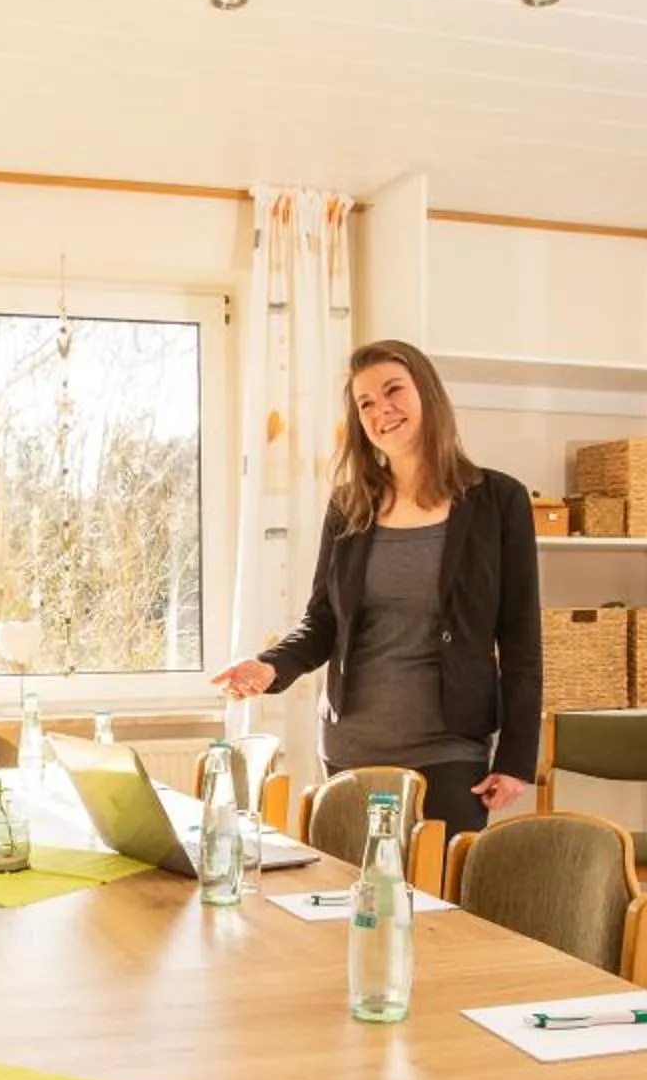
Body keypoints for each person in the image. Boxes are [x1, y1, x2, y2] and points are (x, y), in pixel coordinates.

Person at [215, 339, 543, 837]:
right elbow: (322, 620)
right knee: (356, 907)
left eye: (393, 390)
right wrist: (270, 667)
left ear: (427, 395)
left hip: (450, 750)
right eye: (365, 403)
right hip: (351, 749)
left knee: (442, 908)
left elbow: (521, 639)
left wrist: (517, 757)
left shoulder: (499, 501)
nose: (381, 410)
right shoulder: (349, 506)